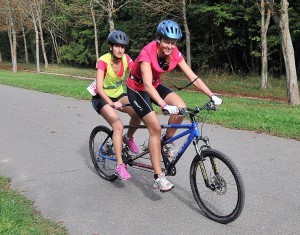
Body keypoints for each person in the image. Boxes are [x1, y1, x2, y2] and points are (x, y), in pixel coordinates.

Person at [126, 20, 222, 192]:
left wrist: (211, 95)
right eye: (166, 41)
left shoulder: (175, 53)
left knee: (181, 107)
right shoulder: (147, 52)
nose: (170, 46)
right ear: (159, 39)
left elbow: (193, 77)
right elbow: (146, 85)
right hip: (138, 88)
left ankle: (166, 141)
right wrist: (163, 105)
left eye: (173, 42)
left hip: (155, 85)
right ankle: (158, 177)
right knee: (154, 127)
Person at [88, 30, 141, 180]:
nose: (120, 50)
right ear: (111, 47)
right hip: (101, 97)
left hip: (118, 94)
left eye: (123, 47)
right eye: (117, 46)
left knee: (138, 113)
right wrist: (112, 104)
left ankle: (128, 138)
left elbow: (137, 73)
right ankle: (119, 166)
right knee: (117, 125)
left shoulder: (126, 59)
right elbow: (99, 87)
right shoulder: (103, 61)